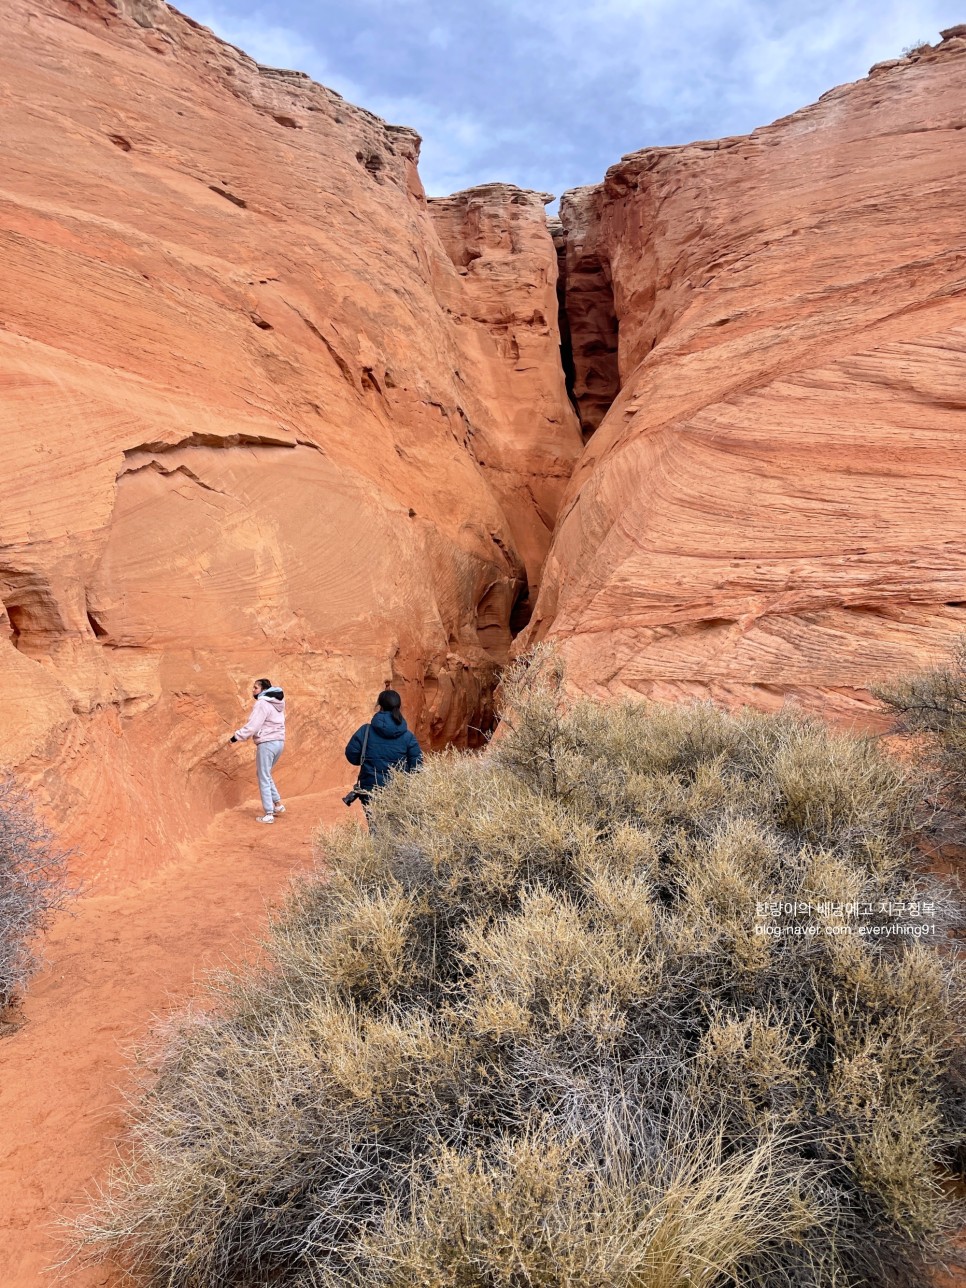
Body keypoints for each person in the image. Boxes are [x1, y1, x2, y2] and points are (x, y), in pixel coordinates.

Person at [345, 689, 422, 825]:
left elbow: (352, 755)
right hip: (398, 791)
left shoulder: (366, 731)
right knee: (397, 829)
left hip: (370, 789)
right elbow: (417, 766)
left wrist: (366, 760)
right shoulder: (408, 736)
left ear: (379, 706)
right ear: (398, 707)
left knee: (375, 826)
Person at [230, 678, 286, 824]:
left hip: (267, 743)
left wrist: (236, 737)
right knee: (265, 774)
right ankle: (278, 805)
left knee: (263, 776)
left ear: (263, 689)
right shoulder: (277, 702)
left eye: (255, 688)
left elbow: (253, 726)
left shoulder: (262, 703)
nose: (253, 690)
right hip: (279, 742)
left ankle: (269, 813)